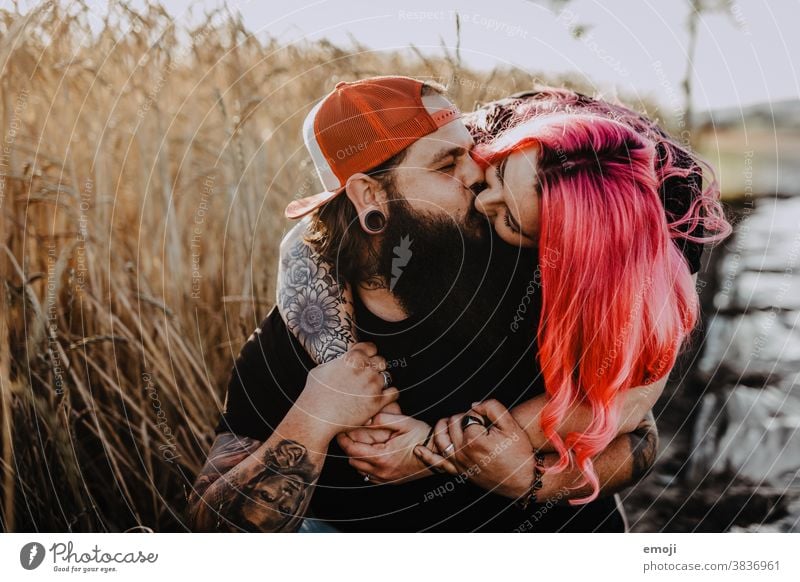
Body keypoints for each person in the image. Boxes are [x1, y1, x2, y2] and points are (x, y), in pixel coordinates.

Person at [186, 77, 726, 532]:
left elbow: (640, 431)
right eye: (447, 165)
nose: (476, 174)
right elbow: (214, 530)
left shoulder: (538, 270)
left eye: (469, 152)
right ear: (370, 197)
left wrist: (530, 480)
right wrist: (312, 418)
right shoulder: (298, 335)